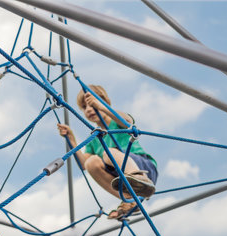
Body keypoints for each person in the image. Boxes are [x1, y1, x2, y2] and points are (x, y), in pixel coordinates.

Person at [57, 85, 158, 219]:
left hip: (143, 167)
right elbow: (84, 165)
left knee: (108, 153)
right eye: (84, 107)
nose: (88, 109)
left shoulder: (116, 122)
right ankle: (130, 199)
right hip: (122, 177)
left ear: (104, 101)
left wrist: (102, 107)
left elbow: (128, 122)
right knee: (91, 163)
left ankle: (138, 178)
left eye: (91, 104)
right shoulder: (94, 138)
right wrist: (71, 140)